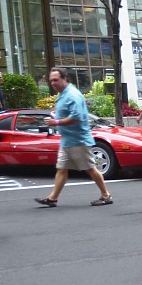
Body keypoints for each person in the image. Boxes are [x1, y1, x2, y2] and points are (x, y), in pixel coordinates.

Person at [34, 68, 113, 208]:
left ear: (65, 79)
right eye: (51, 80)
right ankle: (52, 198)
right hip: (67, 139)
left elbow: (77, 117)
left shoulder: (73, 95)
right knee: (61, 168)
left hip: (78, 139)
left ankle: (106, 195)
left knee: (90, 168)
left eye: (56, 80)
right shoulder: (63, 94)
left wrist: (56, 122)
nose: (53, 83)